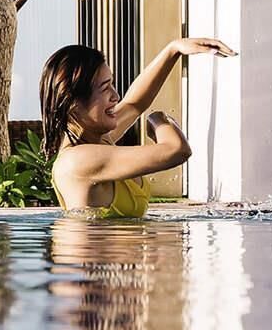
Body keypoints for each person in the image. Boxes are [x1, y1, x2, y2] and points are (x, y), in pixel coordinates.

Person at [40, 36, 236, 214]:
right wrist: (158, 120)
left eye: (112, 84)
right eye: (105, 88)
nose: (115, 96)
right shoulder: (78, 160)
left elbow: (134, 104)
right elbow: (177, 150)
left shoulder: (98, 140)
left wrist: (173, 49)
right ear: (74, 104)